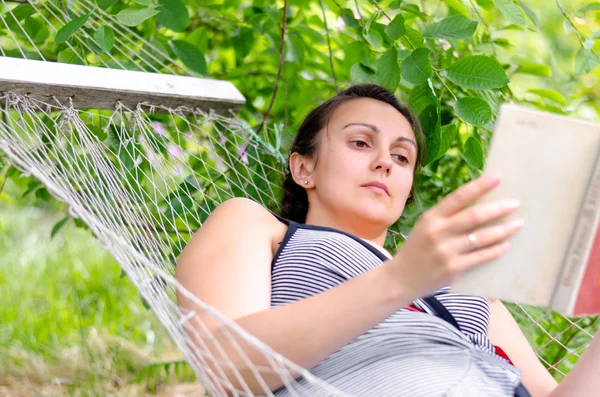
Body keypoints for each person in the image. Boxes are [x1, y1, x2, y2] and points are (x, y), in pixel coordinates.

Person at [175, 84, 600, 397]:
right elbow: (224, 366)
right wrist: (402, 278)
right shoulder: (257, 225)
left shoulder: (466, 281)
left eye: (402, 157)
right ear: (304, 169)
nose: (384, 163)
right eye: (361, 143)